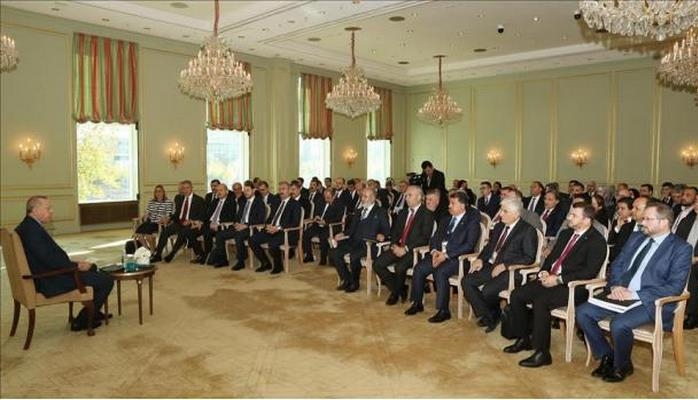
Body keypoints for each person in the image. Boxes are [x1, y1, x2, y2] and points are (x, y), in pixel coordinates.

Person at [577, 202, 691, 383]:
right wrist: (615, 286)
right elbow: (617, 264)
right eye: (643, 218)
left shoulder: (681, 248)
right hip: (621, 293)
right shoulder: (637, 237)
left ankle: (622, 365)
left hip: (651, 301)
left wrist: (635, 294)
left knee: (619, 324)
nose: (642, 222)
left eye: (648, 219)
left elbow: (675, 287)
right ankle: (607, 355)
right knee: (583, 312)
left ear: (664, 222)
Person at [503, 203, 606, 368]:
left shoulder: (596, 241)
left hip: (574, 286)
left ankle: (542, 353)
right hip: (551, 278)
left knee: (541, 302)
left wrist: (559, 279)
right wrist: (544, 271)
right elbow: (552, 259)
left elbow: (589, 272)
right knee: (517, 295)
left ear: (587, 220)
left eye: (574, 215)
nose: (569, 217)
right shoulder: (566, 234)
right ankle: (524, 338)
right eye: (570, 214)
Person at [15, 196, 114, 331]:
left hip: (47, 272)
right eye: (48, 208)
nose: (51, 211)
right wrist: (76, 266)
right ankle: (82, 321)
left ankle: (93, 311)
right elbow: (49, 259)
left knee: (94, 270)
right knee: (106, 280)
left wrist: (74, 263)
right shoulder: (32, 230)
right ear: (35, 209)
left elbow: (46, 257)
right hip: (49, 279)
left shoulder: (28, 226)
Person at [462, 198, 538, 332]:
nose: (500, 214)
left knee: (488, 290)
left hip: (512, 271)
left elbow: (529, 258)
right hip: (492, 265)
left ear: (516, 214)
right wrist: (480, 259)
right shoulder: (499, 226)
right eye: (501, 210)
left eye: (505, 211)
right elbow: (489, 247)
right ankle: (490, 314)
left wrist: (505, 265)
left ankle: (491, 315)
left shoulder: (527, 230)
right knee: (467, 281)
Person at [405, 191, 481, 322]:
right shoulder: (445, 219)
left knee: (440, 272)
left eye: (453, 203)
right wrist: (434, 251)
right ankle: (417, 303)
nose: (449, 206)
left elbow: (468, 245)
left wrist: (446, 255)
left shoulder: (471, 222)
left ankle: (443, 310)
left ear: (462, 205)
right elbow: (434, 238)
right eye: (449, 203)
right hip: (438, 255)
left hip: (458, 259)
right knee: (419, 268)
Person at [373, 185, 434, 306]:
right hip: (398, 247)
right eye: (406, 195)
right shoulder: (403, 212)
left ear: (419, 197)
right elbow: (395, 232)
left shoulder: (427, 214)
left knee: (400, 267)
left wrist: (405, 249)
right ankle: (400, 288)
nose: (406, 198)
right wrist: (394, 245)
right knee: (377, 264)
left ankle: (395, 294)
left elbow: (424, 238)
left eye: (409, 195)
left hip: (414, 251)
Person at [331, 187, 390, 293]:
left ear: (373, 198)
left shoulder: (381, 212)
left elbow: (386, 230)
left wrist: (382, 235)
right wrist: (343, 234)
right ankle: (347, 279)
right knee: (335, 253)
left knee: (354, 255)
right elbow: (352, 229)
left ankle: (355, 283)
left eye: (365, 197)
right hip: (354, 241)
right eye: (362, 196)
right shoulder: (358, 211)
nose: (362, 199)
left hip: (369, 244)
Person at [208, 180, 267, 269]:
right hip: (240, 226)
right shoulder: (243, 202)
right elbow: (237, 217)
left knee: (238, 236)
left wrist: (246, 225)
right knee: (220, 235)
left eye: (248, 190)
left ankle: (240, 261)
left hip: (251, 228)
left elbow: (260, 220)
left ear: (254, 190)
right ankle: (223, 260)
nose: (245, 192)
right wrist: (237, 223)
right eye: (244, 190)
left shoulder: (259, 202)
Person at [248, 181, 302, 274]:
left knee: (272, 243)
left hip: (287, 232)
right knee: (252, 240)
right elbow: (270, 218)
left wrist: (278, 228)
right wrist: (268, 225)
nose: (281, 191)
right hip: (272, 230)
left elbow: (295, 222)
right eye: (280, 189)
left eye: (283, 189)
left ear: (290, 191)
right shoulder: (276, 203)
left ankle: (278, 266)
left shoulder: (295, 204)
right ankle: (265, 263)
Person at [150, 180, 206, 263]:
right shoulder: (180, 199)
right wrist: (168, 218)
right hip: (179, 223)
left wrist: (191, 221)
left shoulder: (199, 200)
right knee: (165, 231)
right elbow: (177, 214)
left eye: (187, 188)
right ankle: (158, 255)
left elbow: (202, 215)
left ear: (192, 188)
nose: (185, 190)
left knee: (183, 232)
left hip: (191, 224)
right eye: (183, 188)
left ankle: (172, 254)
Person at [193, 183, 236, 264]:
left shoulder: (231, 202)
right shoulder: (215, 201)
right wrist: (200, 221)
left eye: (221, 190)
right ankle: (200, 254)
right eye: (217, 190)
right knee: (191, 232)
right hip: (209, 224)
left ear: (226, 191)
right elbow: (207, 214)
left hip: (221, 226)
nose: (218, 192)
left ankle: (207, 256)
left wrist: (218, 223)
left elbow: (231, 217)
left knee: (207, 233)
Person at [303, 188, 344, 265]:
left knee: (323, 236)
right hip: (319, 224)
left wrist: (326, 222)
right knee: (306, 234)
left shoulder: (340, 204)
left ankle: (323, 259)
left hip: (331, 226)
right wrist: (316, 217)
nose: (325, 199)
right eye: (325, 197)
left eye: (328, 197)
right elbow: (317, 212)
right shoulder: (321, 201)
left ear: (334, 196)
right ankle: (309, 256)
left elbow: (338, 219)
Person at [134, 185, 174, 249]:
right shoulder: (152, 202)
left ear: (163, 192)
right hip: (151, 222)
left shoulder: (168, 202)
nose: (158, 193)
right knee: (138, 234)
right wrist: (145, 216)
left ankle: (152, 250)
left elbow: (168, 215)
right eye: (156, 191)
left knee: (148, 235)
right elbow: (148, 212)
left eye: (159, 191)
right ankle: (148, 250)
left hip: (160, 223)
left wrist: (163, 219)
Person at [607, 197, 636, 262]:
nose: (619, 211)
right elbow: (610, 241)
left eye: (622, 208)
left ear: (631, 210)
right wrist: (618, 227)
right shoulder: (616, 221)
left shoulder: (634, 224)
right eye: (618, 208)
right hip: (613, 257)